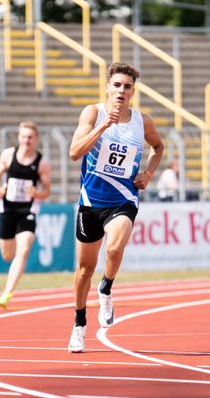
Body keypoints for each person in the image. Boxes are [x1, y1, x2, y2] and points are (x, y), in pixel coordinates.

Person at [67, 62, 164, 353]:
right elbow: (74, 153)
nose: (122, 91)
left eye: (128, 87)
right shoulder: (93, 113)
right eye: (118, 85)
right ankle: (79, 324)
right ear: (108, 87)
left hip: (124, 200)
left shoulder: (142, 122)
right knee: (84, 269)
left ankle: (106, 288)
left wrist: (148, 174)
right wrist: (103, 126)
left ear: (134, 91)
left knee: (114, 248)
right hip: (91, 203)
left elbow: (159, 148)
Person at [0, 121, 51, 309]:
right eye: (23, 136)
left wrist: (37, 193)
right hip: (8, 209)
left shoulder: (42, 163)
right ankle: (12, 262)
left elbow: (47, 190)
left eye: (30, 137)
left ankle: (7, 292)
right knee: (7, 255)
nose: (27, 140)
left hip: (28, 211)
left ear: (36, 139)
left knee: (23, 249)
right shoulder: (8, 155)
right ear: (18, 137)